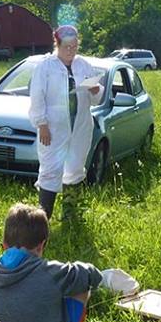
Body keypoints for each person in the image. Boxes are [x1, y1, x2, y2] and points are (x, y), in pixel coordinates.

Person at [28, 25, 104, 219]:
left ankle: (71, 214)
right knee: (51, 170)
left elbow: (96, 98)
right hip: (53, 128)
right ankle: (43, 219)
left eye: (74, 46)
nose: (71, 50)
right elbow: (37, 96)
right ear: (58, 45)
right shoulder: (45, 66)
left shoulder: (83, 65)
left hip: (79, 125)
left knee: (76, 167)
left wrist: (96, 90)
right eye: (67, 47)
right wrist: (42, 124)